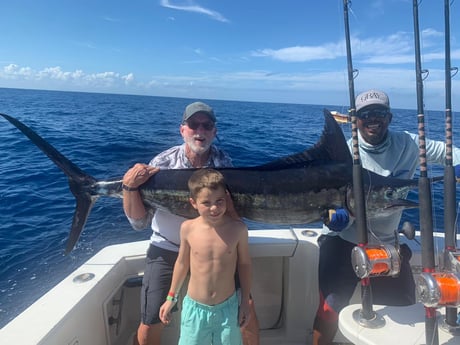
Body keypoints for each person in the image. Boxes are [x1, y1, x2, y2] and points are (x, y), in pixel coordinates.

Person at [313, 89, 460, 345]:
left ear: (389, 118)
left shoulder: (410, 143)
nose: (373, 119)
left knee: (402, 308)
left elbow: (451, 152)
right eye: (365, 114)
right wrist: (337, 220)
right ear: (355, 119)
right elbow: (335, 211)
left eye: (379, 113)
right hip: (341, 239)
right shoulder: (347, 154)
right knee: (329, 309)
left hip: (386, 244)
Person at [122, 101, 259, 345]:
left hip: (215, 249)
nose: (200, 131)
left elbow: (232, 215)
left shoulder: (225, 164)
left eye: (207, 126)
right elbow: (139, 222)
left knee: (249, 317)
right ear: (182, 129)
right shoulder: (162, 163)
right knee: (150, 321)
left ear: (214, 132)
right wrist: (128, 187)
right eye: (194, 124)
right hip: (166, 247)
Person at [159, 168, 252, 345]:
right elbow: (181, 263)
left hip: (228, 308)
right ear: (193, 203)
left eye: (219, 201)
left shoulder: (238, 229)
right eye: (206, 203)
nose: (214, 208)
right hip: (195, 309)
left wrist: (245, 302)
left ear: (226, 198)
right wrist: (171, 298)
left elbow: (245, 265)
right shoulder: (188, 228)